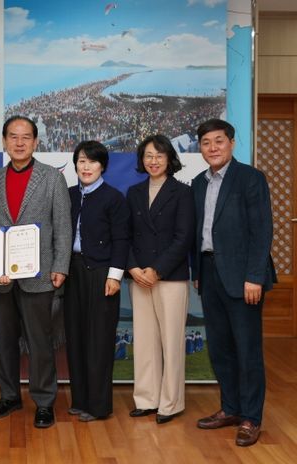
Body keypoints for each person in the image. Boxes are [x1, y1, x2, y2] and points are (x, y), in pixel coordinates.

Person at [0, 116, 72, 428]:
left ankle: (44, 402)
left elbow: (63, 226)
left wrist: (60, 266)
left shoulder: (52, 177)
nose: (19, 143)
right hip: (2, 277)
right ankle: (9, 396)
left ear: (35, 142)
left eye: (25, 137)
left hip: (40, 275)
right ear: (4, 141)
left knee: (40, 342)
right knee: (5, 340)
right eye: (13, 136)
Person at [191, 118, 275, 447]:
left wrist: (254, 276)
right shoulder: (198, 182)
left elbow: (262, 230)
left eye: (219, 141)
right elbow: (199, 230)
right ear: (200, 148)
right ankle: (230, 408)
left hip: (243, 277)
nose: (212, 147)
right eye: (206, 142)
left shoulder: (250, 178)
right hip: (209, 273)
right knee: (220, 347)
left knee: (247, 349)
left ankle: (251, 417)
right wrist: (198, 271)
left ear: (232, 143)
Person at [126, 134, 194, 424]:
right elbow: (125, 235)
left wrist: (157, 269)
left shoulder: (183, 192)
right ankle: (146, 399)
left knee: (171, 340)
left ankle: (170, 402)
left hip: (170, 277)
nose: (153, 161)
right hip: (139, 276)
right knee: (144, 341)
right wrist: (133, 268)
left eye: (159, 155)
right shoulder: (133, 192)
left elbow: (184, 238)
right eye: (148, 155)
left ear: (169, 159)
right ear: (142, 160)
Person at [65, 140, 129, 422]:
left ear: (102, 166)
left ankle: (99, 406)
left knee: (99, 340)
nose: (86, 166)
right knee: (75, 336)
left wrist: (115, 276)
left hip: (102, 274)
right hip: (72, 272)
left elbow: (122, 240)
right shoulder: (69, 195)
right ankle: (80, 400)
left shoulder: (113, 198)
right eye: (81, 161)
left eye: (92, 161)